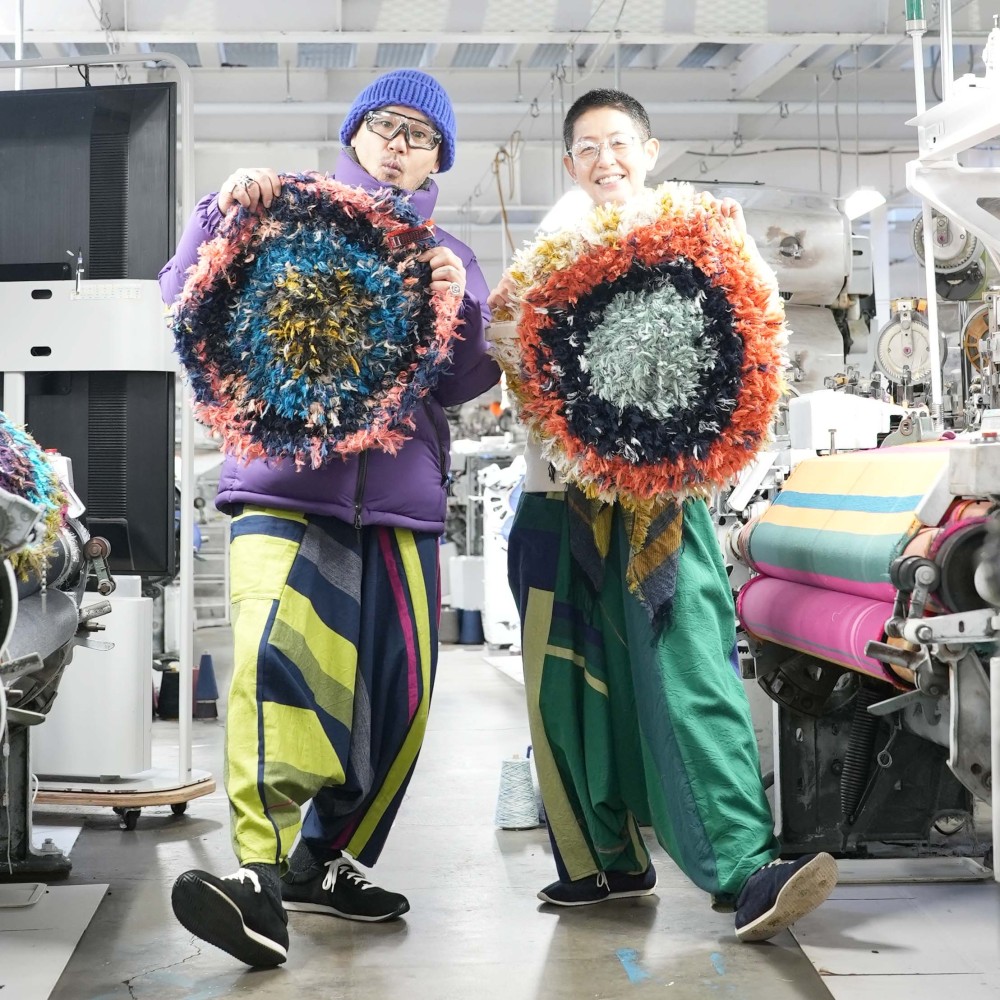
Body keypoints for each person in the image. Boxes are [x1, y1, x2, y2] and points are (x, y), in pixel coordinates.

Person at [159, 69, 499, 968]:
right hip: (285, 484)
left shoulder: (450, 253)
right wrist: (220, 212)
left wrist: (459, 306)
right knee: (276, 669)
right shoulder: (284, 210)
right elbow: (183, 288)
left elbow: (466, 380)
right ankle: (260, 879)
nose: (398, 145)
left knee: (402, 697)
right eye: (385, 125)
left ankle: (323, 861)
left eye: (420, 136)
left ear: (438, 160)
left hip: (399, 504)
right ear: (354, 134)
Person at [488, 89, 838, 942]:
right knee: (568, 682)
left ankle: (745, 868)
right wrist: (509, 329)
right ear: (569, 162)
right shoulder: (549, 249)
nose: (604, 159)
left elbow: (754, 340)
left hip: (663, 502)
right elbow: (509, 360)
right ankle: (602, 861)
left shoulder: (701, 233)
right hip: (558, 497)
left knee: (689, 669)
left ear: (649, 151)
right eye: (587, 147)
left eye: (618, 142)